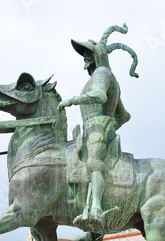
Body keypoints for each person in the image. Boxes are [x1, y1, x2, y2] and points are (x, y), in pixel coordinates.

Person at [59, 24, 139, 229]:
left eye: (88, 54)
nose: (85, 58)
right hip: (90, 130)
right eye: (84, 54)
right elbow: (124, 115)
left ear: (98, 56)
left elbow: (100, 95)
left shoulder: (102, 73)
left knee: (94, 163)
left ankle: (96, 209)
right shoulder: (102, 76)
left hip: (97, 129)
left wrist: (73, 101)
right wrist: (111, 125)